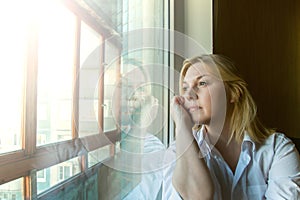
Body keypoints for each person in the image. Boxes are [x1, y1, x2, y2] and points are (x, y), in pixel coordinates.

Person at [163, 54, 300, 199]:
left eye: (202, 83)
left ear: (234, 93)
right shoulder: (176, 154)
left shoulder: (277, 150)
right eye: (185, 88)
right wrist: (182, 127)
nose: (189, 95)